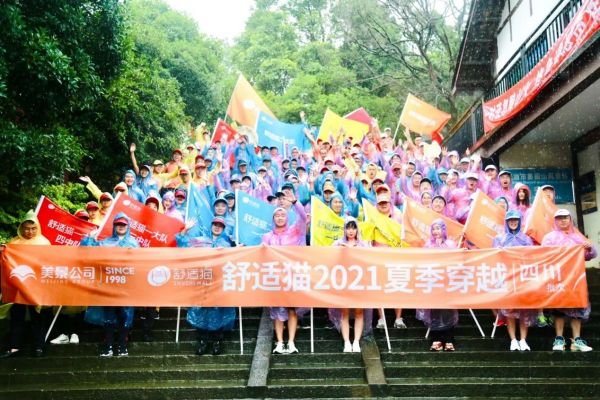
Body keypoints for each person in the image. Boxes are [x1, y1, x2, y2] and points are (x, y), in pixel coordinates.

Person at [81, 213, 139, 357]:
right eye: (118, 224)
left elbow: (140, 264)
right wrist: (90, 239)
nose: (121, 226)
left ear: (128, 226)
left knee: (125, 316)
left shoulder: (134, 243)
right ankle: (108, 347)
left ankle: (122, 346)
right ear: (114, 226)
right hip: (109, 286)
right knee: (109, 316)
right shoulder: (105, 242)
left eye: (123, 224)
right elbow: (88, 254)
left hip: (126, 287)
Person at [177, 217, 236, 355]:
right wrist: (185, 231)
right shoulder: (200, 242)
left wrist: (238, 250)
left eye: (220, 225)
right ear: (211, 225)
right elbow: (183, 247)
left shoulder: (226, 245)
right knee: (201, 312)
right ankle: (202, 342)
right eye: (215, 224)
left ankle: (217, 342)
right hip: (202, 283)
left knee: (219, 312)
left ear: (223, 228)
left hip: (219, 284)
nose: (217, 227)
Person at [542, 209, 597, 352]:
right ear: (555, 221)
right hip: (558, 279)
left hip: (576, 279)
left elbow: (590, 255)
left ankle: (577, 340)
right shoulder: (549, 238)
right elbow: (543, 255)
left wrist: (590, 248)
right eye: (559, 218)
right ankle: (559, 339)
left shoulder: (577, 237)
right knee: (558, 309)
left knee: (578, 307)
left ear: (570, 219)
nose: (563, 220)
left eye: (565, 217)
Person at [1, 211, 52, 358]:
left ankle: (39, 346)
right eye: (27, 228)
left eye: (33, 228)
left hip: (37, 286)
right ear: (21, 228)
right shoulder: (14, 243)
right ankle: (14, 347)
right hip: (18, 286)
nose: (30, 232)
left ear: (38, 228)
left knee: (38, 317)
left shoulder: (44, 243)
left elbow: (50, 262)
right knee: (17, 316)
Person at [262, 198, 308, 354]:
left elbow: (303, 218)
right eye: (277, 215)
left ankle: (291, 342)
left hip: (292, 277)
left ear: (287, 217)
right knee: (277, 312)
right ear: (273, 219)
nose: (280, 218)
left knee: (292, 309)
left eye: (283, 215)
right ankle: (280, 342)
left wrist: (296, 203)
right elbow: (262, 254)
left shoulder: (294, 231)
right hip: (275, 278)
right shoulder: (267, 237)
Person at [492, 210, 535, 351]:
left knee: (524, 311)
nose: (513, 222)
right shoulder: (499, 239)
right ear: (506, 222)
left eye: (515, 219)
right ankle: (513, 340)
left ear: (519, 221)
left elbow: (532, 257)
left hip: (523, 278)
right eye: (510, 220)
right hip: (507, 279)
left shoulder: (526, 239)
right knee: (509, 310)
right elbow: (494, 258)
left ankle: (523, 339)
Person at [329, 218, 372, 352]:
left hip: (359, 282)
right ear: (344, 229)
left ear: (357, 229)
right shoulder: (337, 244)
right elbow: (329, 258)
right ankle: (347, 342)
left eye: (353, 227)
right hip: (343, 282)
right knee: (345, 312)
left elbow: (370, 260)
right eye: (348, 227)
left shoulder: (364, 245)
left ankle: (356, 342)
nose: (351, 231)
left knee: (359, 312)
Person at [416, 219, 458, 351]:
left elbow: (456, 261)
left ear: (443, 229)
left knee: (448, 310)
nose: (435, 231)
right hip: (433, 282)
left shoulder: (451, 244)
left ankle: (449, 339)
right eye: (433, 229)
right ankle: (436, 339)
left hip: (447, 282)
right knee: (434, 311)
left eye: (438, 228)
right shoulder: (428, 245)